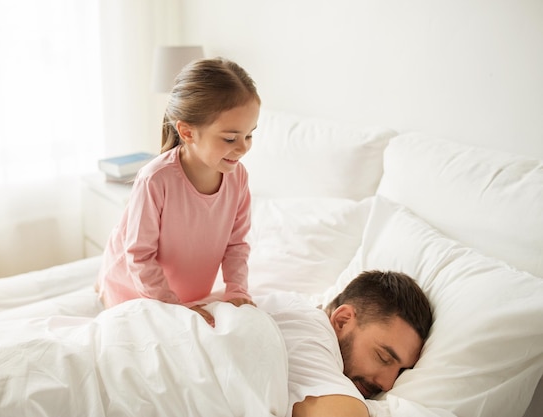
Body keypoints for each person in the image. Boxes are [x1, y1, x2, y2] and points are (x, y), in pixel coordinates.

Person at [96, 57, 260, 327]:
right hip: (134, 289)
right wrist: (173, 307)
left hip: (188, 293)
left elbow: (236, 244)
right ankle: (102, 285)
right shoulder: (155, 179)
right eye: (230, 138)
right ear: (187, 132)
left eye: (250, 135)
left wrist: (237, 290)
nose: (242, 148)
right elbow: (139, 255)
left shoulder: (238, 177)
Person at [258, 269, 433, 417]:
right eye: (383, 357)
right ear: (342, 320)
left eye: (401, 371)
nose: (387, 384)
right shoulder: (305, 328)